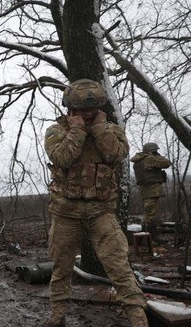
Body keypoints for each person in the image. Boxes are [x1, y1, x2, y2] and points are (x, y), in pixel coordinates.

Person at [44, 79, 148, 327]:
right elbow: (63, 158)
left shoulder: (111, 130)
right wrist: (78, 130)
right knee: (61, 266)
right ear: (70, 109)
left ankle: (138, 319)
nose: (87, 114)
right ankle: (57, 316)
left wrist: (99, 129)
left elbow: (116, 155)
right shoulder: (56, 131)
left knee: (118, 265)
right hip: (66, 211)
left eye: (91, 109)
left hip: (101, 211)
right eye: (81, 110)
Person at [131, 142, 171, 244]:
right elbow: (166, 163)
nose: (157, 152)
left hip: (145, 189)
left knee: (148, 213)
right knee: (150, 214)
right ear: (152, 151)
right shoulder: (150, 158)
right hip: (152, 189)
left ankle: (148, 237)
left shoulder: (139, 161)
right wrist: (156, 155)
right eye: (155, 151)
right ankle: (151, 238)